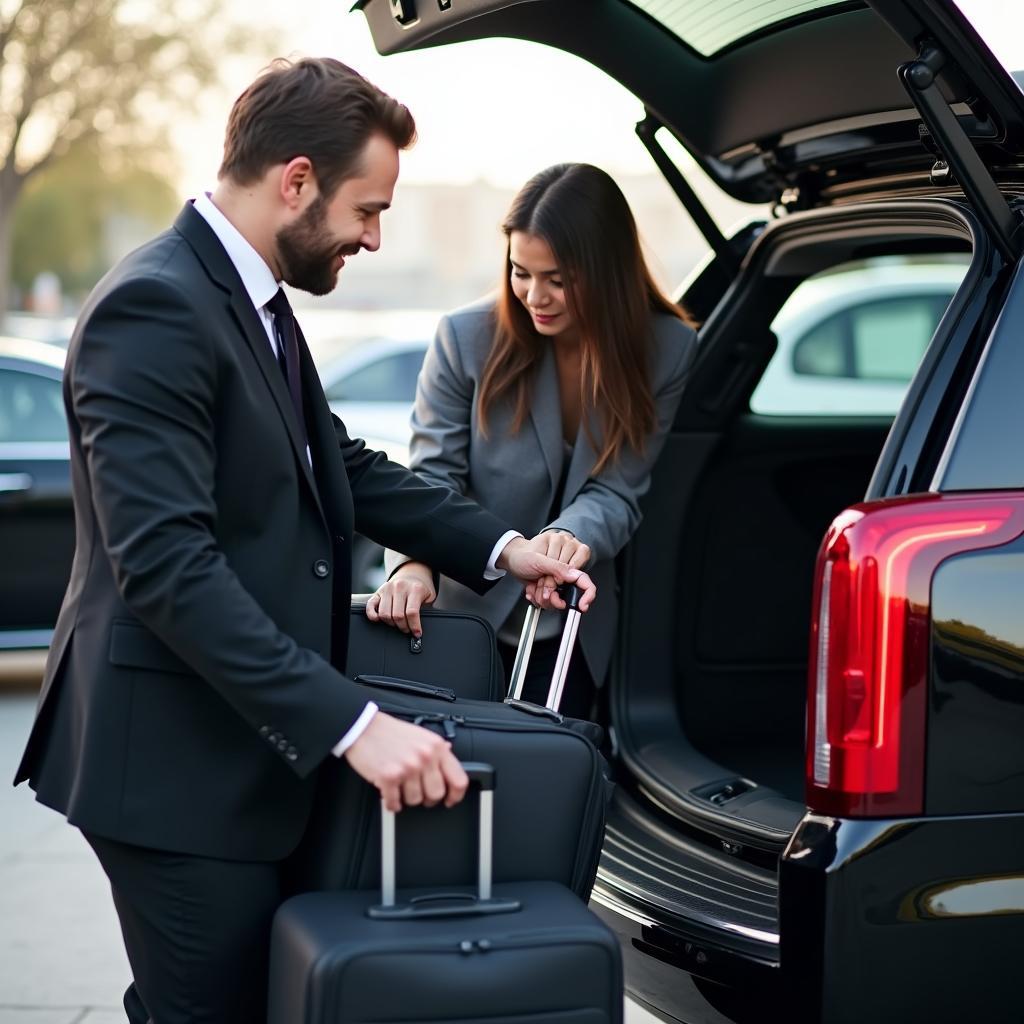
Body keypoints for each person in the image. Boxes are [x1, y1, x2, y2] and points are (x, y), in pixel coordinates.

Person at [12, 59, 595, 1024]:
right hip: (174, 772)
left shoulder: (253, 300)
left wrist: (502, 549)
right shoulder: (155, 306)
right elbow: (164, 567)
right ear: (295, 181)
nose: (374, 236)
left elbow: (343, 468)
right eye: (368, 209)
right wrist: (356, 727)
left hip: (240, 755)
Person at [366, 163, 697, 720]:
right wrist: (414, 567)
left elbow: (619, 489)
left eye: (559, 279)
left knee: (550, 788)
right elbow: (431, 478)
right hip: (462, 616)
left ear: (608, 271)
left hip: (573, 624)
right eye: (521, 272)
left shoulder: (667, 347)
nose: (534, 296)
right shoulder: (464, 338)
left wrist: (568, 539)